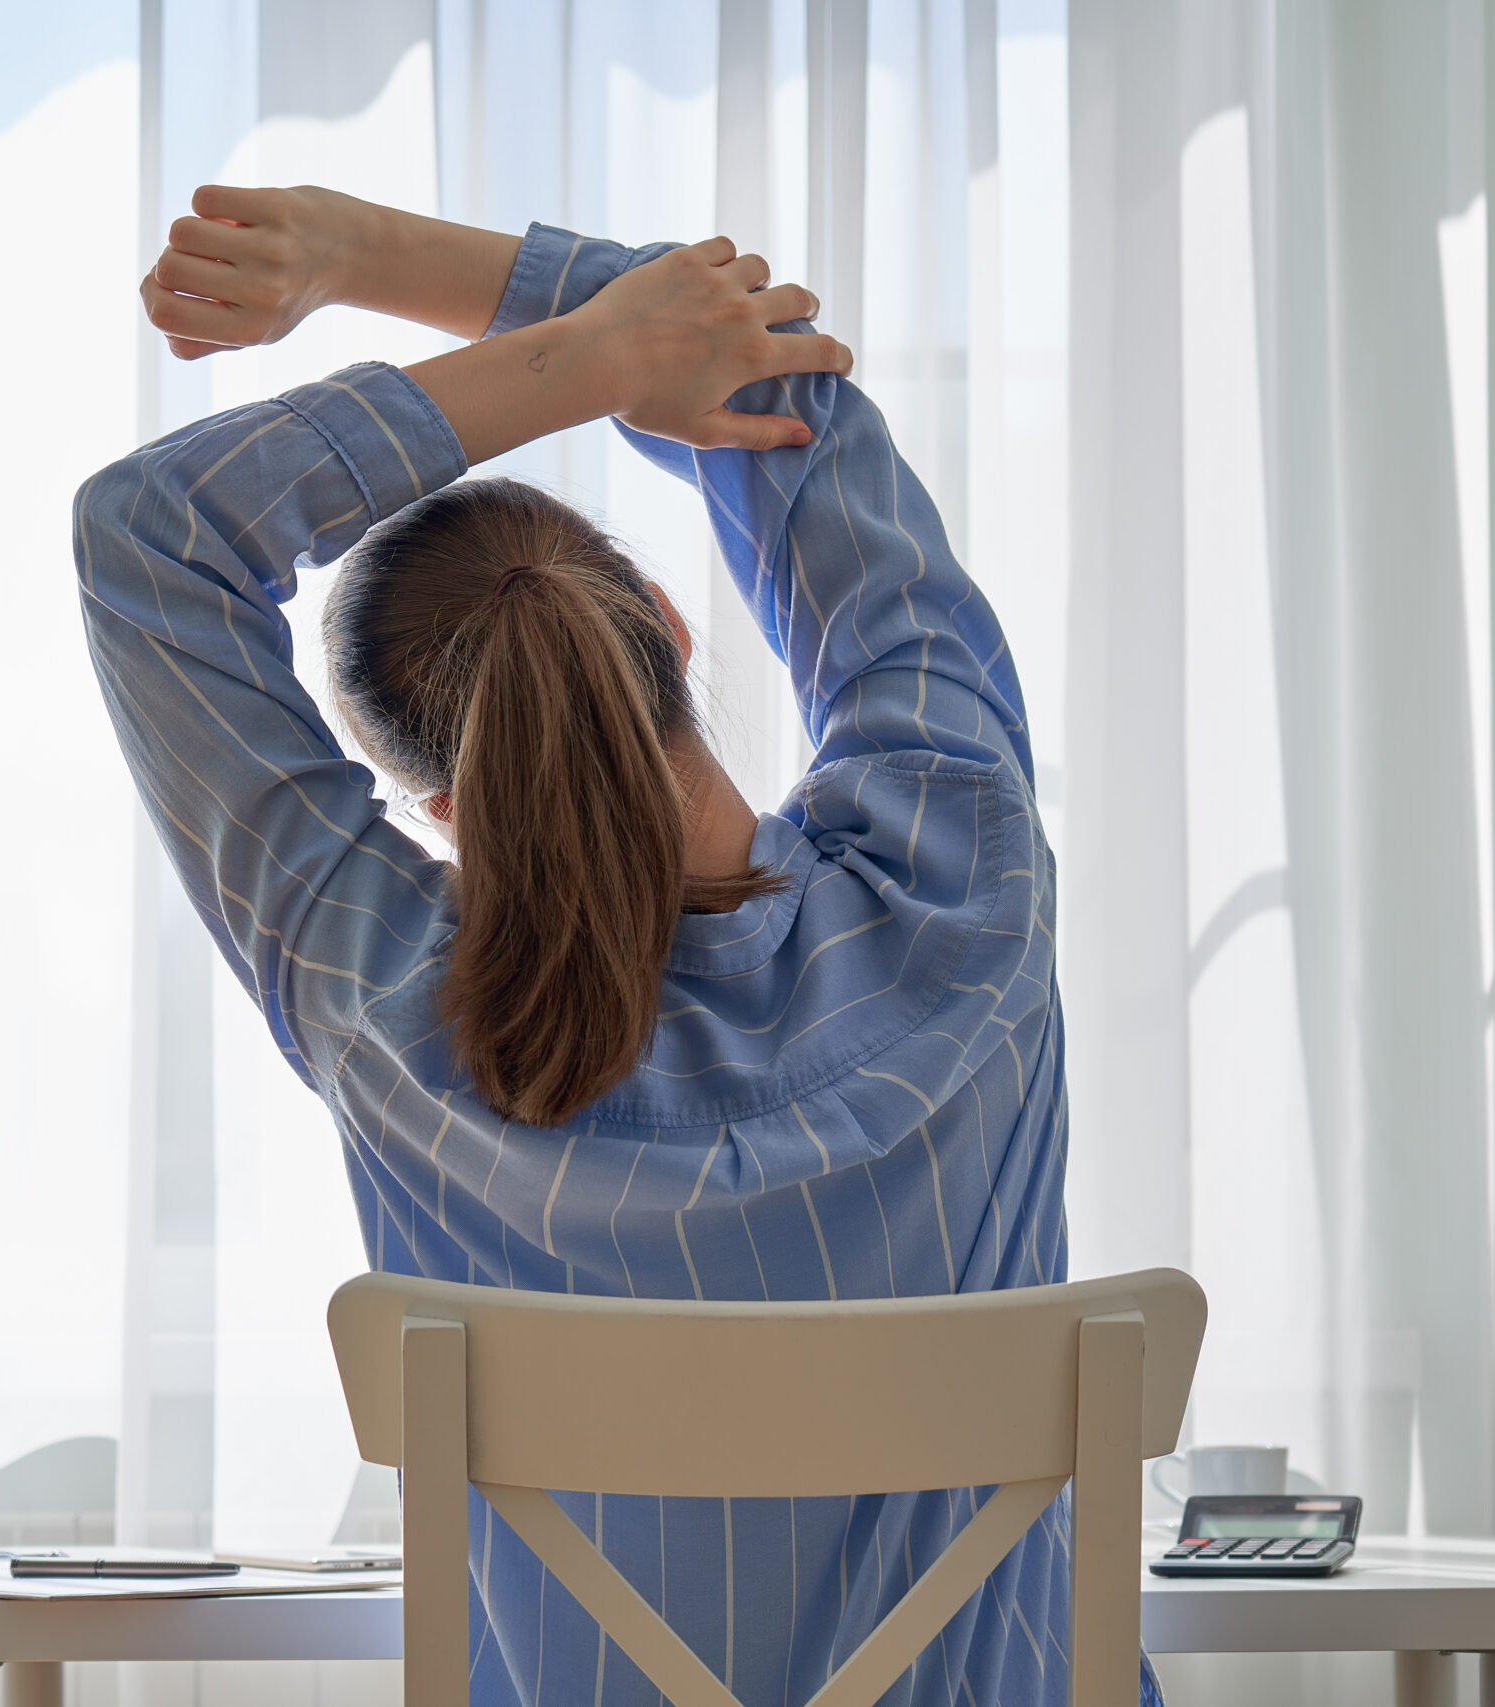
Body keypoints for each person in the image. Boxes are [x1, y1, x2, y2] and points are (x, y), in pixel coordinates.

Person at [76, 185, 1155, 1707]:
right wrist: (383, 261)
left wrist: (586, 363)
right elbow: (768, 375)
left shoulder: (386, 1005)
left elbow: (144, 541)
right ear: (665, 617)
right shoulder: (956, 876)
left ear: (443, 806)